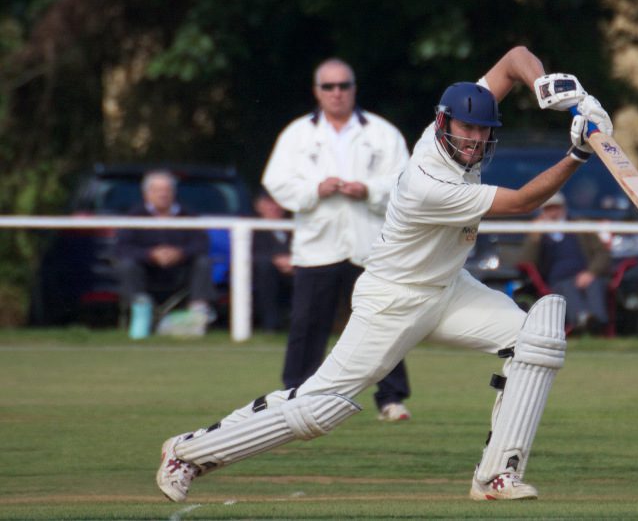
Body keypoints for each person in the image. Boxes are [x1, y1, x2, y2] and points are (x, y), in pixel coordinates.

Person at [155, 46, 614, 503]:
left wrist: (553, 91)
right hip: (393, 299)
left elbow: (514, 58)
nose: (474, 138)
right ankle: (188, 453)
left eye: (482, 129)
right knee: (320, 408)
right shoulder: (428, 182)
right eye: (466, 128)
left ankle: (496, 476)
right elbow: (523, 203)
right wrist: (577, 152)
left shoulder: (461, 130)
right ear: (443, 124)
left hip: (448, 291)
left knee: (537, 338)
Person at [261, 58, 413, 422]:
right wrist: (315, 189)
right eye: (328, 87)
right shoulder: (297, 134)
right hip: (318, 246)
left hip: (371, 245)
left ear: (354, 88)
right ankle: (295, 395)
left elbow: (406, 182)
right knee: (307, 325)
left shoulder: (381, 132)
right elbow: (276, 182)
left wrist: (369, 190)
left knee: (382, 323)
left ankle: (391, 399)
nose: (337, 93)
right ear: (317, 92)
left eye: (343, 85)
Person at [115, 170, 213, 321]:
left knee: (203, 262)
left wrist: (179, 253)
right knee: (128, 265)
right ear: (146, 193)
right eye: (157, 190)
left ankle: (197, 316)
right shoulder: (134, 216)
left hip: (181, 272)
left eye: (167, 190)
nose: (163, 194)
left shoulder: (188, 215)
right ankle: (140, 315)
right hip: (146, 272)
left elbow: (202, 244)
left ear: (174, 193)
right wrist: (151, 254)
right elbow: (123, 248)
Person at [520, 191, 612, 335]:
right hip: (558, 279)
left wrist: (591, 272)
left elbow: (602, 253)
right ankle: (581, 319)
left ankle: (597, 322)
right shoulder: (537, 234)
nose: (553, 213)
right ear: (542, 212)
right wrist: (535, 237)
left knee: (594, 284)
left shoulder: (580, 226)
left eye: (556, 208)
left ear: (564, 208)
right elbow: (526, 262)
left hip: (585, 273)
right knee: (567, 287)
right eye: (548, 209)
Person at [251, 190, 293, 332]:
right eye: (269, 203)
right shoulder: (251, 229)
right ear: (258, 206)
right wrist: (275, 259)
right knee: (265, 267)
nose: (274, 207)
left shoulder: (295, 228)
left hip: (295, 269)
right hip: (262, 272)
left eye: (277, 203)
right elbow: (250, 253)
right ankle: (271, 324)